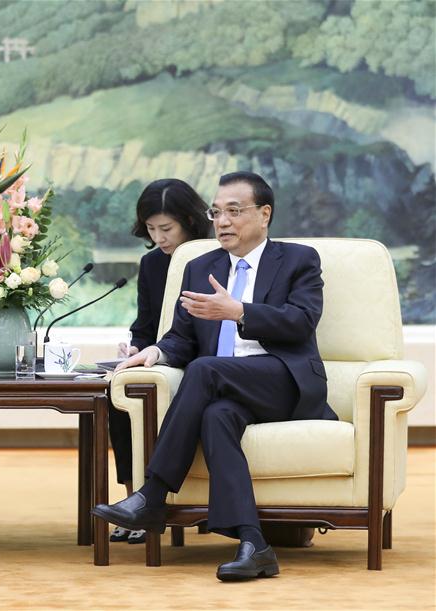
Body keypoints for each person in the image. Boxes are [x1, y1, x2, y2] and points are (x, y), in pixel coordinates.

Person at [93, 171, 336, 581]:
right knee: (215, 416)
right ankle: (254, 545)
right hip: (227, 387)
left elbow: (301, 322)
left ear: (264, 214)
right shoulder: (199, 267)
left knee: (205, 370)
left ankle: (153, 495)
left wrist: (239, 312)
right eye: (217, 212)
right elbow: (181, 339)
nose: (222, 221)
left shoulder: (298, 259)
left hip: (284, 382)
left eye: (234, 211)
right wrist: (154, 352)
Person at [109, 178, 211, 545]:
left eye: (166, 228)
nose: (159, 237)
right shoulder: (152, 263)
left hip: (204, 361)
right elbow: (145, 325)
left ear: (189, 220)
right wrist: (136, 349)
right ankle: (133, 500)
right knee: (122, 395)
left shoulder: (214, 256)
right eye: (151, 229)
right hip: (161, 361)